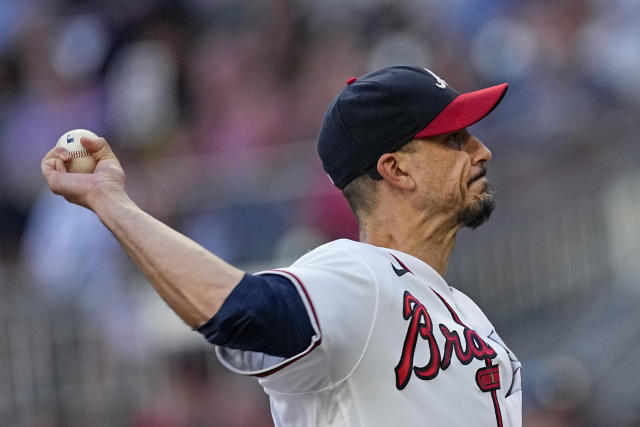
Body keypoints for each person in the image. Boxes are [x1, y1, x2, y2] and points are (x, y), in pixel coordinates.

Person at [42, 65, 522, 426]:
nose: (481, 150)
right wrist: (112, 203)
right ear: (395, 169)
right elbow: (242, 312)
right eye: (455, 138)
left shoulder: (471, 318)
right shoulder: (360, 276)